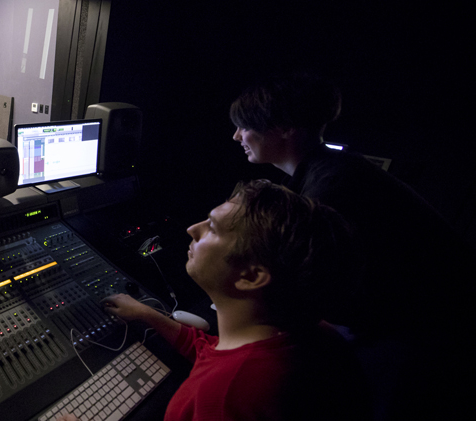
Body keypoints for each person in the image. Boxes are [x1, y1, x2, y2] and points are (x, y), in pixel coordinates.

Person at [229, 74, 473, 419]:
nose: (236, 136)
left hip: (423, 338)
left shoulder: (330, 190)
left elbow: (308, 288)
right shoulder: (329, 171)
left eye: (244, 126)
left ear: (284, 127)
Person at [61, 180, 369, 421]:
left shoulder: (226, 397)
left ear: (251, 276)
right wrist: (148, 314)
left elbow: (229, 378)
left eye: (213, 227)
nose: (192, 229)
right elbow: (211, 352)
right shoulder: (310, 335)